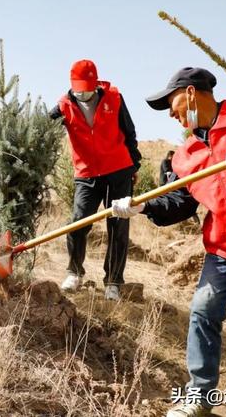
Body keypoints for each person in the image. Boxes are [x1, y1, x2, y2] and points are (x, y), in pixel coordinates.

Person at [111, 67, 226, 417]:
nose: (171, 113)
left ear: (192, 93)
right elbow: (179, 206)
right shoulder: (185, 154)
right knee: (203, 311)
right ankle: (200, 397)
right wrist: (141, 207)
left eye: (172, 103)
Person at [50, 59, 142, 299]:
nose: (84, 93)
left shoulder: (114, 97)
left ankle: (113, 282)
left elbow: (129, 130)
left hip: (118, 168)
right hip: (87, 173)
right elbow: (43, 130)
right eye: (79, 88)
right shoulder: (63, 105)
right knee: (78, 222)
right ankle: (74, 272)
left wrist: (135, 165)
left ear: (96, 83)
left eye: (88, 88)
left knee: (118, 225)